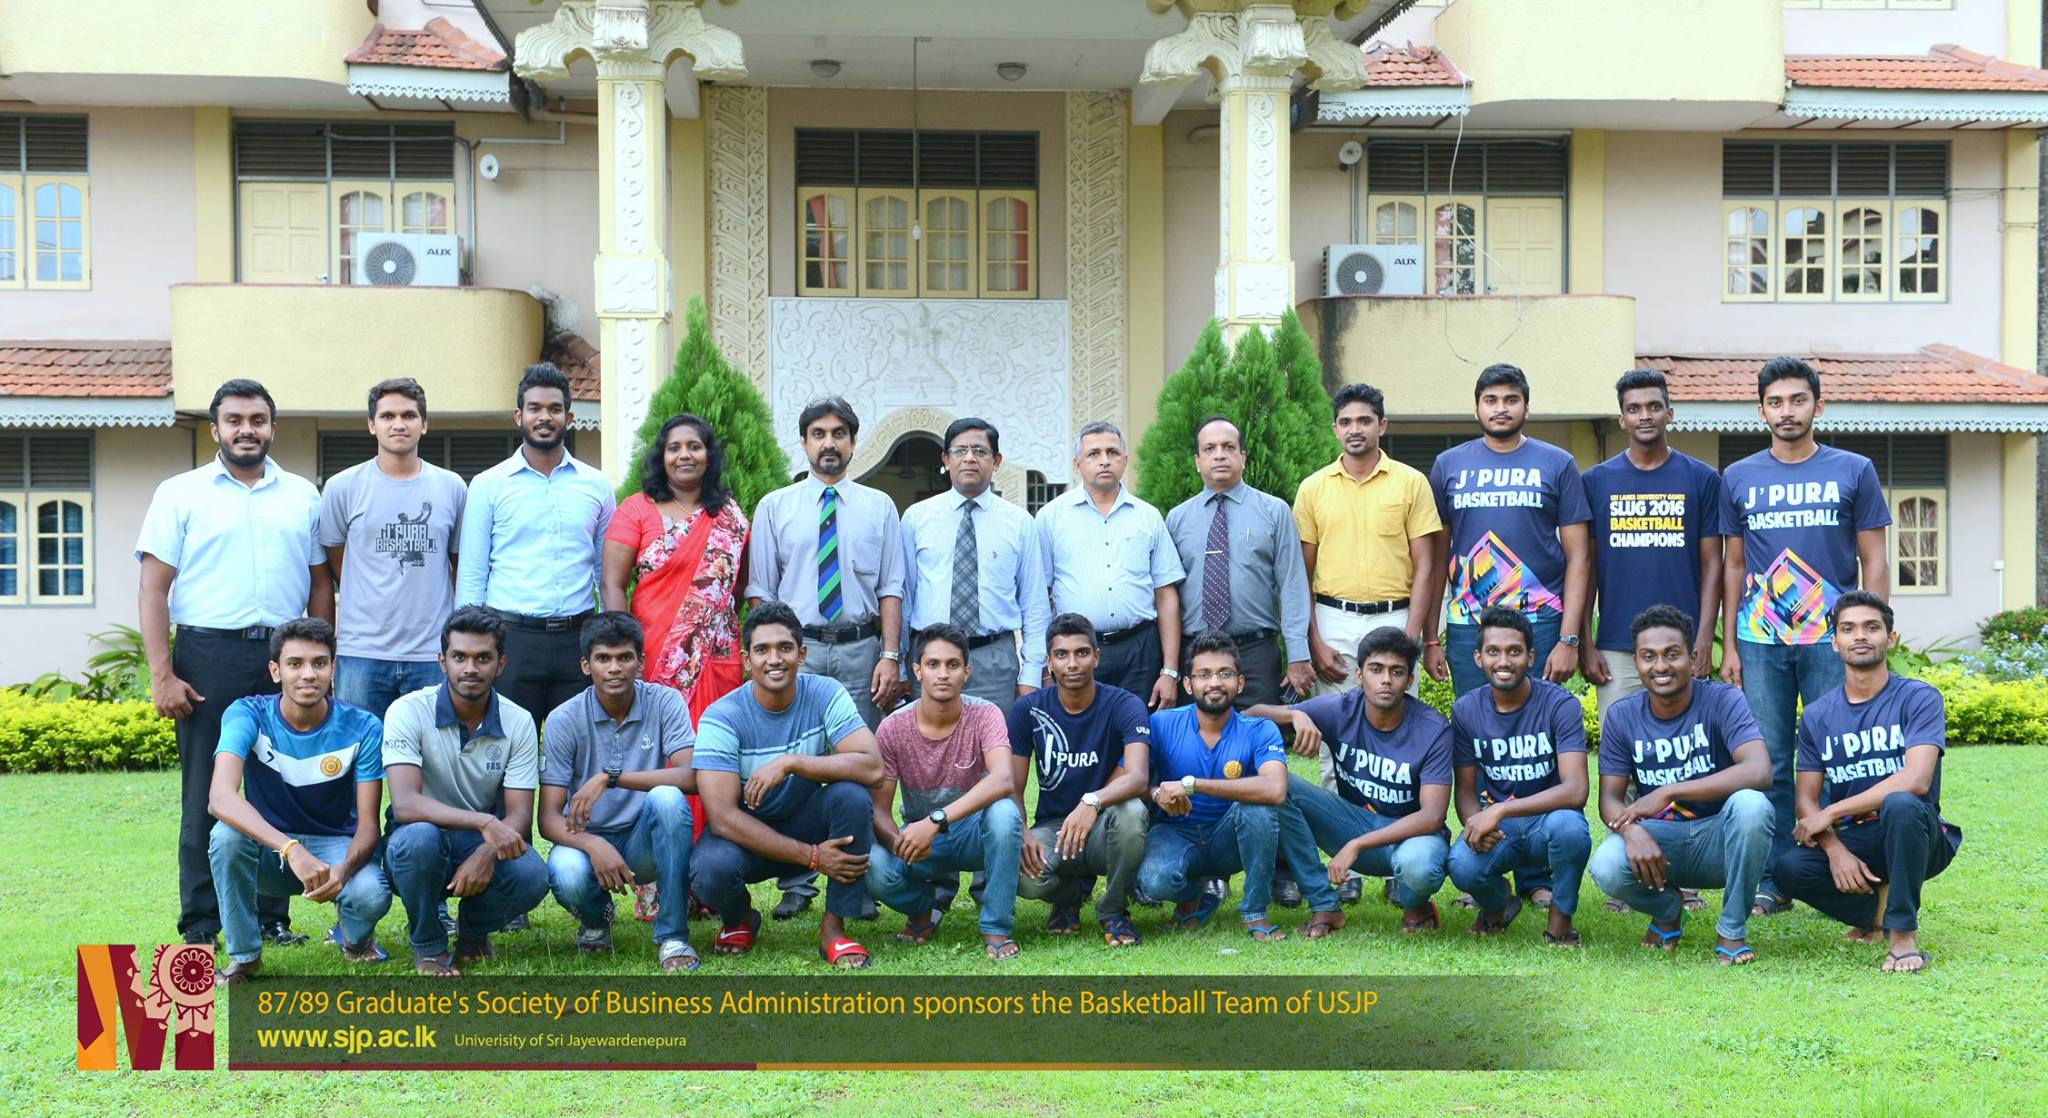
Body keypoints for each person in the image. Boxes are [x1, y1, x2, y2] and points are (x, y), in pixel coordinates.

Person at [139, 377, 331, 950]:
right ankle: (201, 922)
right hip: (208, 655)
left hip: (284, 654)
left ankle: (273, 915)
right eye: (235, 420)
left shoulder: (303, 495)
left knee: (282, 786)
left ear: (272, 427)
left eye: (257, 420)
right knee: (205, 790)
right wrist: (162, 674)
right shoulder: (179, 493)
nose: (247, 430)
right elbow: (153, 588)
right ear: (215, 428)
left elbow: (321, 582)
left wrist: (321, 659)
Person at [1721, 356, 1892, 919]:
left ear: (1819, 405)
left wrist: (1873, 627)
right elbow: (1733, 564)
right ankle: (1775, 877)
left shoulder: (1854, 470)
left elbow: (1874, 559)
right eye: (1775, 402)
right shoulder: (1738, 476)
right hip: (1760, 639)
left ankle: (1842, 864)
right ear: (1761, 411)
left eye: (1798, 400)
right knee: (1768, 759)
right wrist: (1729, 643)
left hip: (1830, 641)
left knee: (1837, 757)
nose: (1787, 411)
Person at [747, 396, 903, 920]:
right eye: (818, 434)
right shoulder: (775, 506)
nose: (829, 443)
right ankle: (797, 879)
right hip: (797, 653)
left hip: (861, 650)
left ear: (853, 442)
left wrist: (890, 655)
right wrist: (772, 658)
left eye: (839, 434)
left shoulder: (880, 506)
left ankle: (856, 881)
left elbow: (891, 587)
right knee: (794, 760)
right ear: (804, 441)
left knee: (859, 765)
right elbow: (761, 591)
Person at [600, 413, 750, 923]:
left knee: (712, 759)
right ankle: (661, 889)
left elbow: (736, 585)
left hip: (717, 656)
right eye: (674, 447)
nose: (684, 455)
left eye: (695, 446)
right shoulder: (636, 509)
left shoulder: (729, 515)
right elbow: (613, 584)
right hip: (654, 655)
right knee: (663, 764)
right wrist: (621, 645)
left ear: (709, 454)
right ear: (661, 456)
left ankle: (707, 883)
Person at [689, 602, 885, 968]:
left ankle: (834, 928)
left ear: (802, 654)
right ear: (747, 660)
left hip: (803, 818)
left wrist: (791, 762)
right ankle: (739, 918)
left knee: (852, 797)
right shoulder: (722, 716)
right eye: (762, 650)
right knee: (709, 871)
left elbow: (873, 767)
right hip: (745, 835)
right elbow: (723, 818)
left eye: (785, 648)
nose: (774, 659)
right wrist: (812, 857)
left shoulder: (825, 693)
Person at [1773, 591, 1961, 973]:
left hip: (1917, 832)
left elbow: (1916, 780)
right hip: (1857, 837)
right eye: (1848, 629)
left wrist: (1832, 812)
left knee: (1900, 803)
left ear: (1890, 639)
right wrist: (1834, 850)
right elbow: (1806, 800)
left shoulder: (1918, 698)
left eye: (1871, 627)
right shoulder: (1817, 715)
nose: (1860, 636)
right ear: (1835, 642)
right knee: (1788, 869)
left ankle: (1902, 935)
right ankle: (1877, 912)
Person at [205, 619, 389, 986]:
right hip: (271, 850)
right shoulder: (248, 714)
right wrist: (291, 849)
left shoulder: (364, 726)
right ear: (276, 671)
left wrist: (342, 872)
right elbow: (220, 798)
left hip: (335, 847)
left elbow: (369, 827)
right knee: (226, 837)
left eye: (319, 663)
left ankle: (354, 939)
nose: (308, 674)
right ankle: (245, 958)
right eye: (295, 664)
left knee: (371, 894)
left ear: (333, 669)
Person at [1590, 605, 1773, 966]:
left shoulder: (1722, 699)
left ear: (1692, 657)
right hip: (1661, 841)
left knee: (1752, 806)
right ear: (1636, 662)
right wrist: (1631, 832)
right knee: (1606, 864)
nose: (1660, 666)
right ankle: (1668, 909)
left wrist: (1670, 791)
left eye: (1672, 654)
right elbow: (1609, 799)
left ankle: (1731, 930)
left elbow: (1759, 770)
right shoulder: (1622, 715)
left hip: (1718, 837)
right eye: (1648, 656)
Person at [1249, 627, 1451, 937]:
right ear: (1359, 675)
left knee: (1419, 864)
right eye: (1376, 669)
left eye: (1397, 672)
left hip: (1411, 836)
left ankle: (1417, 907)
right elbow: (1250, 715)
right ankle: (1324, 903)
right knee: (1280, 787)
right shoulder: (1340, 709)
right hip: (1354, 823)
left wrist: (1357, 844)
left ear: (1410, 680)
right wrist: (1294, 716)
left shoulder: (1433, 728)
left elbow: (1433, 816)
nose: (1386, 680)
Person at [380, 606, 548, 976]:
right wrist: (484, 821)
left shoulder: (518, 720)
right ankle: (429, 945)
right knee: (420, 839)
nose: (470, 668)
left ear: (501, 664)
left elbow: (520, 814)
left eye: (482, 658)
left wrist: (487, 851)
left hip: (478, 840)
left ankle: (472, 936)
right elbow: (405, 805)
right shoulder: (407, 710)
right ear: (443, 661)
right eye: (459, 657)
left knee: (533, 875)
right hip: (416, 839)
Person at [537, 612, 701, 972]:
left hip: (644, 839)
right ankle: (597, 920)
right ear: (586, 665)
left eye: (624, 657)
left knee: (668, 799)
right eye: (603, 658)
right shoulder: (564, 718)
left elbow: (691, 777)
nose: (614, 668)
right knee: (565, 869)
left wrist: (611, 778)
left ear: (640, 663)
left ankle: (673, 936)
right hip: (587, 841)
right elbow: (547, 818)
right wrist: (595, 845)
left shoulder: (665, 701)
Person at [457, 363, 616, 724]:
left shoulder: (597, 486)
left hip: (578, 639)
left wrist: (610, 637)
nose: (545, 417)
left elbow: (604, 570)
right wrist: (469, 645)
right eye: (535, 408)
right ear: (519, 416)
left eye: (554, 409)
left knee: (579, 743)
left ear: (569, 417)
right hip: (511, 639)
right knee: (505, 743)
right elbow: (472, 572)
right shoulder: (488, 485)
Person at [1427, 364, 1592, 697]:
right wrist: (1431, 638)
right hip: (1470, 623)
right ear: (1476, 408)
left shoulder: (1558, 463)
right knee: (1473, 718)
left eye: (1511, 400)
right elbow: (1435, 558)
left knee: (1540, 719)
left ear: (1526, 407)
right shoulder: (1448, 464)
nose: (1500, 408)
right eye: (1491, 400)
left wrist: (1568, 639)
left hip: (1540, 620)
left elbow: (1580, 558)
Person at [865, 624, 1023, 960]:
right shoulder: (893, 727)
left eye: (953, 665)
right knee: (875, 866)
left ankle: (996, 927)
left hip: (973, 833)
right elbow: (879, 810)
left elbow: (1003, 779)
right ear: (917, 671)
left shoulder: (985, 714)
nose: (943, 674)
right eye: (933, 664)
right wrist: (899, 844)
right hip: (923, 842)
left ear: (967, 672)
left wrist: (936, 821)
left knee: (1004, 813)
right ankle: (924, 911)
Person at [1579, 369, 1726, 712]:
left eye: (1654, 407)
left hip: (1683, 644)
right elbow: (1587, 569)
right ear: (1622, 420)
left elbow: (1713, 566)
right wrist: (1585, 642)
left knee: (1687, 741)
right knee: (1619, 741)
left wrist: (1704, 638)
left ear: (1669, 414)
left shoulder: (1702, 479)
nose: (1644, 415)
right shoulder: (1596, 481)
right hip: (1617, 645)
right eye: (1634, 409)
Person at [320, 377, 467, 719]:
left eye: (409, 415)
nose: (398, 424)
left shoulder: (452, 487)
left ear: (424, 424)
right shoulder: (342, 487)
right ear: (372, 424)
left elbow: (460, 566)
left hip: (432, 653)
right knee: (360, 749)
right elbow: (336, 562)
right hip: (362, 652)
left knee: (434, 749)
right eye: (387, 416)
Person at [1446, 607, 1591, 946]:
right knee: (1461, 863)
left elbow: (1576, 790)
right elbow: (1465, 790)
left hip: (1549, 821)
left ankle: (1561, 917)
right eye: (1493, 651)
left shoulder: (1560, 705)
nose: (1504, 661)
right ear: (1478, 658)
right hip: (1503, 830)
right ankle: (1498, 903)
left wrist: (1500, 809)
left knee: (1571, 829)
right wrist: (1476, 825)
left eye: (1514, 651)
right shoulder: (1465, 710)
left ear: (1531, 657)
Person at [1136, 631, 1294, 941]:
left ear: (1240, 682)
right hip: (1175, 831)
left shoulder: (1260, 729)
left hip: (1229, 836)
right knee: (1154, 881)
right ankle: (1195, 895)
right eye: (1204, 674)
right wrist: (1157, 793)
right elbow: (1134, 779)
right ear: (1187, 684)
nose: (1214, 682)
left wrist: (1193, 785)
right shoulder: (1161, 723)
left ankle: (1255, 911)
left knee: (1258, 811)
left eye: (1225, 674)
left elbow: (1276, 789)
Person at [1010, 613, 1154, 947]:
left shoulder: (1124, 704)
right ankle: (1068, 896)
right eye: (1062, 655)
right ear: (1049, 662)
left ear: (1096, 657)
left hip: (1105, 822)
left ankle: (1114, 910)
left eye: (1082, 653)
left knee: (1132, 812)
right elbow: (1012, 787)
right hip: (1054, 828)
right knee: (1024, 878)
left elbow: (1137, 776)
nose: (1072, 664)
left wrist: (1092, 802)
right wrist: (1024, 834)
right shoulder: (1028, 709)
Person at [1294, 383, 1443, 698]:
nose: (1354, 430)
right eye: (1345, 422)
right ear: (1335, 429)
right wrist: (1314, 641)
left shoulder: (1412, 483)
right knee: (1336, 722)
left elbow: (1426, 568)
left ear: (1382, 425)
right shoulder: (1312, 488)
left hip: (1395, 617)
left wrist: (1410, 639)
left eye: (1364, 421)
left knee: (1396, 719)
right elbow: (1301, 574)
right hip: (1333, 622)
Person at [1036, 421, 1186, 708]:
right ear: (1077, 463)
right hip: (1077, 651)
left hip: (1140, 652)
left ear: (1125, 460)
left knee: (1140, 731)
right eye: (1093, 454)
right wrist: (1045, 667)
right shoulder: (1051, 518)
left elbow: (1166, 595)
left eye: (1112, 452)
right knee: (1081, 730)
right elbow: (1039, 597)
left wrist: (1169, 671)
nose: (1104, 460)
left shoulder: (1147, 517)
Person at [899, 417, 1047, 707]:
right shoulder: (916, 518)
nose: (969, 458)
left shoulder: (1019, 522)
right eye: (960, 451)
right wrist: (900, 664)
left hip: (994, 661)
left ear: (996, 460)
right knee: (929, 737)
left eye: (979, 451)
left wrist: (1032, 673)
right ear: (946, 459)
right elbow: (904, 598)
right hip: (930, 659)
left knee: (994, 736)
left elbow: (1035, 604)